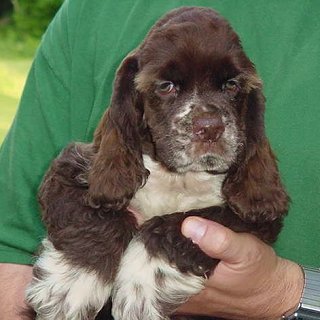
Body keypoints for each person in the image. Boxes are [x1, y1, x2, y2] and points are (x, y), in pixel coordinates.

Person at [0, 0, 319, 319]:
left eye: (230, 85)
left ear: (249, 107)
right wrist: (89, 252)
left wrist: (286, 293)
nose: (208, 120)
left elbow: (259, 214)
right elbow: (17, 240)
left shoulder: (240, 173)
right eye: (167, 86)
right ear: (132, 104)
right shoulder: (90, 11)